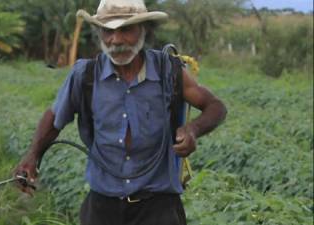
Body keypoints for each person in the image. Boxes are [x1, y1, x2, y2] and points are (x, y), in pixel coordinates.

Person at [14, 0, 227, 224]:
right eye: (108, 31)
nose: (116, 40)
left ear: (143, 30)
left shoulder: (169, 71)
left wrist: (193, 129)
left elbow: (216, 106)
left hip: (158, 207)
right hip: (103, 206)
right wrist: (33, 156)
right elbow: (54, 118)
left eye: (126, 30)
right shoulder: (85, 75)